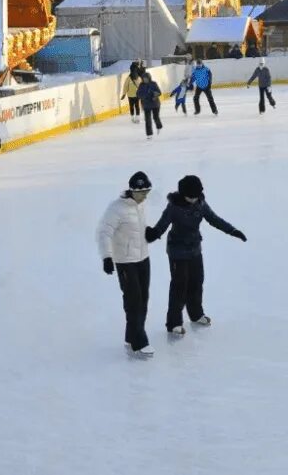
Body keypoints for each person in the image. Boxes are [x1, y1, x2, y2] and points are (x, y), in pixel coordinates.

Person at [146, 175, 247, 335]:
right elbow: (162, 225)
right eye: (190, 196)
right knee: (179, 285)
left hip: (194, 249)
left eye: (195, 196)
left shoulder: (200, 203)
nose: (193, 199)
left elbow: (213, 219)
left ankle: (196, 314)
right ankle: (174, 323)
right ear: (183, 194)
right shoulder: (174, 206)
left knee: (196, 282)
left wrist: (232, 230)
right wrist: (152, 234)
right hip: (177, 251)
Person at [96, 171, 155, 359]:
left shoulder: (140, 206)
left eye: (148, 191)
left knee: (143, 300)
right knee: (133, 301)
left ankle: (131, 338)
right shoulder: (116, 208)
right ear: (133, 190)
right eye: (143, 192)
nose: (146, 195)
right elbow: (104, 233)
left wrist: (149, 233)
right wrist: (107, 257)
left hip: (143, 259)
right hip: (125, 262)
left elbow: (136, 229)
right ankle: (139, 342)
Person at [137, 73, 163, 138]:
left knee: (155, 117)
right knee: (147, 119)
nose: (145, 80)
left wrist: (155, 95)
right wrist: (143, 97)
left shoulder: (154, 84)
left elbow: (159, 92)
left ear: (149, 78)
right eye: (144, 78)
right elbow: (138, 94)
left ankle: (159, 126)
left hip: (155, 104)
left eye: (146, 78)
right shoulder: (141, 85)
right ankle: (149, 134)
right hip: (146, 105)